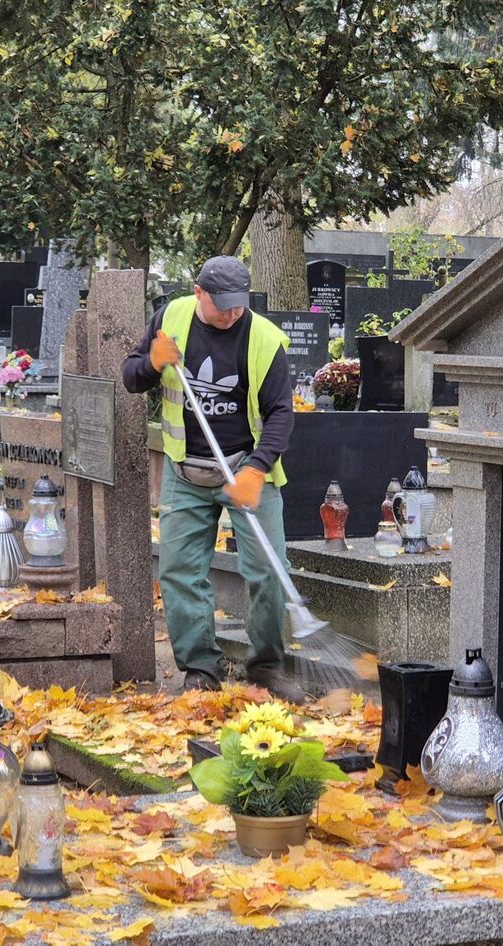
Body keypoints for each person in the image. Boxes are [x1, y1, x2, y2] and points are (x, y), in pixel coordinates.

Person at [122, 256, 309, 703]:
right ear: (199, 292)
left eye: (238, 305)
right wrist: (151, 360)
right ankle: (200, 669)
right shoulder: (171, 318)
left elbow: (282, 413)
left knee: (268, 569)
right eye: (222, 305)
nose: (231, 314)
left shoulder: (263, 340)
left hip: (246, 465)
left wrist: (257, 468)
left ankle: (265, 667)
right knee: (180, 571)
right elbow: (131, 378)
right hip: (185, 469)